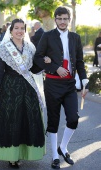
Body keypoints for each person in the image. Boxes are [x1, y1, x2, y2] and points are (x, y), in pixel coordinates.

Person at [0, 19, 49, 168]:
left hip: (27, 89)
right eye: (16, 28)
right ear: (11, 31)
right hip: (9, 89)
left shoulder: (30, 48)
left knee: (27, 120)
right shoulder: (4, 48)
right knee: (12, 121)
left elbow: (33, 69)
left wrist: (45, 62)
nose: (19, 31)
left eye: (22, 28)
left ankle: (25, 152)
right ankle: (12, 156)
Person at [34, 6, 88, 169]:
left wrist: (84, 82)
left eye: (65, 19)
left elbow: (79, 62)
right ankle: (55, 156)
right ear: (56, 20)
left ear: (69, 20)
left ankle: (63, 147)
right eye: (60, 18)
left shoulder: (75, 37)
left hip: (70, 84)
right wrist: (54, 67)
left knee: (73, 119)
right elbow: (38, 57)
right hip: (52, 83)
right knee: (53, 121)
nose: (63, 21)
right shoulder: (47, 36)